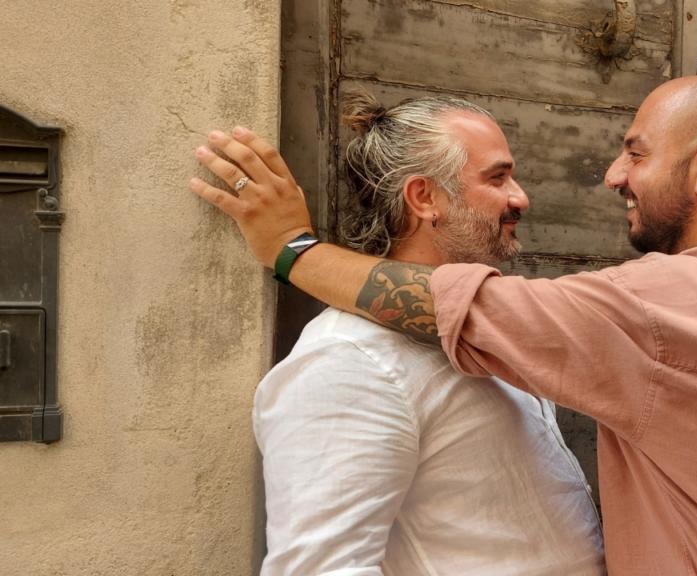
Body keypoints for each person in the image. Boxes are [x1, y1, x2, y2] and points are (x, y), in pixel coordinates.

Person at [191, 75, 697, 574]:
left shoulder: (668, 308)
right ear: (423, 198)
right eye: (500, 176)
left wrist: (293, 251)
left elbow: (480, 310)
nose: (611, 175)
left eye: (635, 153)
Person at [199, 91, 605, 575]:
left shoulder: (486, 326)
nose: (520, 198)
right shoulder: (348, 362)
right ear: (424, 197)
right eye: (497, 178)